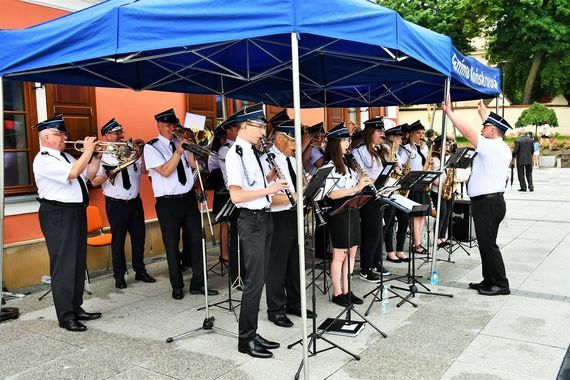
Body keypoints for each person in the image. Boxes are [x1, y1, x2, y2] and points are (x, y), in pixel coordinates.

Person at [226, 103, 289, 359]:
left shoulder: (252, 151)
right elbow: (236, 196)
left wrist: (269, 178)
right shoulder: (235, 154)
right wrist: (269, 190)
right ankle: (245, 339)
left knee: (260, 279)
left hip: (263, 218)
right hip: (250, 221)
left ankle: (253, 333)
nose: (263, 130)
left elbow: (253, 184)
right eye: (259, 126)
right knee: (253, 283)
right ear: (244, 126)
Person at [32, 114, 102, 332]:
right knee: (64, 265)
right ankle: (66, 316)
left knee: (78, 262)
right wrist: (88, 151)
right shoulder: (43, 159)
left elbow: (88, 175)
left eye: (64, 133)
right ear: (46, 138)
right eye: (59, 134)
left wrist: (96, 156)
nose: (64, 137)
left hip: (75, 212)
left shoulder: (66, 157)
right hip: (57, 214)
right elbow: (73, 173)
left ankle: (76, 307)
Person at [144, 108, 218, 300]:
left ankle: (198, 283)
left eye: (174, 125)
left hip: (187, 199)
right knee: (171, 244)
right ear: (158, 126)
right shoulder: (151, 147)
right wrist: (179, 151)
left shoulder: (181, 143)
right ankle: (177, 285)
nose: (172, 129)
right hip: (168, 203)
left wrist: (191, 146)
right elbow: (166, 171)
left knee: (197, 241)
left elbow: (194, 166)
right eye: (168, 125)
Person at [442, 97, 512, 296]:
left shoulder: (491, 147)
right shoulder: (499, 145)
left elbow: (468, 132)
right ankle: (489, 280)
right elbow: (487, 126)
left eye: (486, 126)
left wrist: (450, 112)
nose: (482, 128)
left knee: (488, 244)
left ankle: (500, 283)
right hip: (490, 202)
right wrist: (483, 113)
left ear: (492, 131)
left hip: (488, 203)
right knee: (485, 243)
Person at [260, 120, 315, 328]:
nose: (295, 145)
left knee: (295, 262)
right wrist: (297, 195)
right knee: (277, 265)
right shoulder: (266, 160)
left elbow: (297, 189)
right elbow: (269, 197)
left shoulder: (292, 160)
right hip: (277, 217)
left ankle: (295, 303)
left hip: (294, 214)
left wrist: (306, 186)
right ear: (281, 138)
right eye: (293, 140)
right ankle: (275, 309)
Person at [91, 118, 156, 289]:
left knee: (139, 238)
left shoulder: (131, 150)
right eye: (116, 132)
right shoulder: (101, 155)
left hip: (134, 202)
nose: (121, 135)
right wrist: (111, 171)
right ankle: (119, 275)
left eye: (121, 131)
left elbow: (143, 171)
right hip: (116, 204)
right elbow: (95, 182)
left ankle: (140, 270)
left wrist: (141, 152)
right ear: (106, 135)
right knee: (118, 241)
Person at [322, 123, 373, 307]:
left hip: (352, 210)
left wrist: (361, 181)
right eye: (344, 140)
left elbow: (354, 188)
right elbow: (331, 194)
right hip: (338, 212)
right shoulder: (330, 166)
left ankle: (347, 289)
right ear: (335, 143)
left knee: (352, 253)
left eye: (348, 140)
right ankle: (337, 292)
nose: (348, 143)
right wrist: (356, 188)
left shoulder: (348, 164)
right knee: (339, 255)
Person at [351, 116, 389, 283]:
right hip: (367, 195)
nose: (382, 134)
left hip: (381, 193)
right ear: (370, 132)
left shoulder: (381, 150)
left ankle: (376, 262)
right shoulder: (358, 151)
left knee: (380, 231)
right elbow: (360, 175)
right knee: (371, 232)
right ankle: (366, 268)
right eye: (379, 131)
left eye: (383, 131)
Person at [399, 120, 432, 255]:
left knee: (422, 214)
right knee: (415, 215)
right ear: (412, 134)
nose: (421, 135)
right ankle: (416, 243)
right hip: (412, 185)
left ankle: (418, 241)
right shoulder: (406, 149)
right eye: (418, 133)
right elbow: (400, 166)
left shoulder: (421, 148)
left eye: (422, 133)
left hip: (421, 184)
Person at [383, 123, 410, 264]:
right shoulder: (385, 151)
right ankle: (390, 251)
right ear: (392, 139)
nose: (401, 141)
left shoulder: (397, 154)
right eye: (398, 139)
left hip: (398, 192)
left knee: (404, 220)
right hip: (389, 192)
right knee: (389, 222)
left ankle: (399, 249)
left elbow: (400, 169)